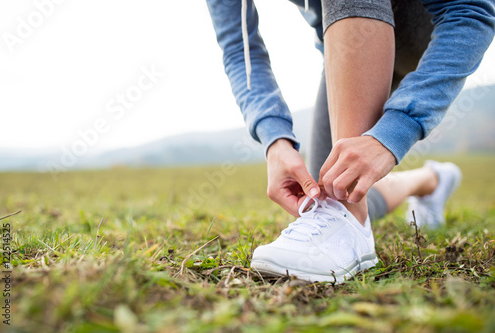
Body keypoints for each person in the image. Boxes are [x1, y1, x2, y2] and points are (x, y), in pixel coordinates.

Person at [206, 0, 495, 283]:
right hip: (351, 50)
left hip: (426, 35)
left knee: (345, 207)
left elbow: (470, 11)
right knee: (334, 191)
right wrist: (275, 140)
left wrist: (395, 131)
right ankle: (431, 180)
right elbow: (239, 47)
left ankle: (351, 230)